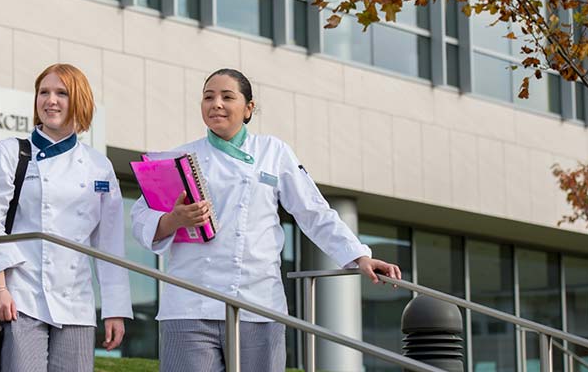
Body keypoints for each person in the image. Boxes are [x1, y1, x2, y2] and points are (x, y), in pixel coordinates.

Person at [131, 68, 402, 372]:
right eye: (208, 97)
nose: (216, 103)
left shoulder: (273, 152)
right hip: (191, 302)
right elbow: (141, 216)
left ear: (248, 108)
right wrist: (173, 219)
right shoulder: (179, 157)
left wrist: (359, 255)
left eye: (227, 97)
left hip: (257, 302)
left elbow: (312, 211)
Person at [0, 63, 133, 371]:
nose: (50, 100)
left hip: (76, 301)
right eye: (43, 92)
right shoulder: (9, 153)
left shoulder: (99, 166)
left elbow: (110, 244)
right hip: (21, 297)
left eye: (62, 93)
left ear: (80, 101)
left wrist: (115, 309)